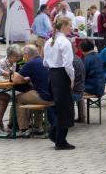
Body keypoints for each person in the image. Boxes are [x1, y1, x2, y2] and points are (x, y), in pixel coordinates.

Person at [43, 16, 75, 150]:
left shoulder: (49, 41)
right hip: (62, 75)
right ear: (63, 26)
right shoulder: (65, 42)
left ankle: (54, 134)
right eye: (69, 25)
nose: (71, 28)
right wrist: (72, 78)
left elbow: (44, 62)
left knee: (59, 108)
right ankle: (60, 141)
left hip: (52, 75)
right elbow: (68, 64)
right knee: (66, 109)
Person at [13, 45, 53, 138]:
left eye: (23, 55)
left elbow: (16, 80)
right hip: (54, 95)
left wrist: (17, 76)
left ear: (27, 55)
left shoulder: (31, 64)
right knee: (33, 95)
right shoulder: (43, 60)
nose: (23, 57)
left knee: (18, 98)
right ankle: (37, 126)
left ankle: (24, 129)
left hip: (46, 97)